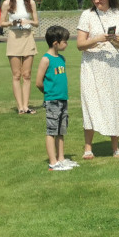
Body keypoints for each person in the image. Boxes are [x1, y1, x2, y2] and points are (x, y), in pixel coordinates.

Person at [77, 0, 119, 158]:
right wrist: (97, 39)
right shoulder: (87, 15)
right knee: (90, 103)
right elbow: (80, 45)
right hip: (92, 65)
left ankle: (115, 147)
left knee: (114, 102)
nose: (96, 1)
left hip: (112, 66)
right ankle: (88, 148)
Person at [36, 24, 76, 171]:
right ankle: (53, 162)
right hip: (52, 100)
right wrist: (48, 94)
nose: (66, 44)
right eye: (64, 41)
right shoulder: (46, 60)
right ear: (55, 43)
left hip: (63, 99)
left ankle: (61, 158)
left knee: (61, 130)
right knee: (51, 131)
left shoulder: (62, 58)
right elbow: (38, 82)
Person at [0, 0, 39, 114]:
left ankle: (26, 106)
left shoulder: (31, 3)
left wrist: (28, 21)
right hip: (14, 38)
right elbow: (1, 23)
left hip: (28, 37)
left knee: (26, 75)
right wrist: (12, 23)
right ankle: (20, 107)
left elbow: (36, 22)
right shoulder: (7, 3)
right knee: (16, 74)